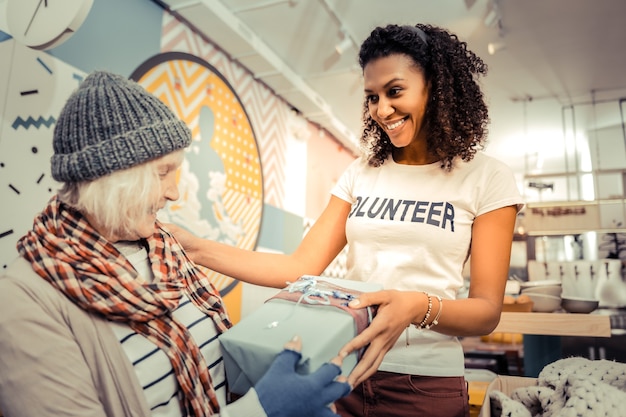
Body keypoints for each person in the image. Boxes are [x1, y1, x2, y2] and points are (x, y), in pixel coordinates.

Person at [167, 22, 525, 417]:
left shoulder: (486, 177)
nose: (382, 110)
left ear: (435, 87)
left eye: (395, 91)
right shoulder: (361, 173)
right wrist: (192, 246)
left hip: (423, 384)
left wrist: (414, 306)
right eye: (372, 97)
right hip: (345, 372)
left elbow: (486, 311)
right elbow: (298, 267)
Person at [0, 71, 351, 417]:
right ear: (110, 177)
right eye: (162, 173)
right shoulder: (22, 303)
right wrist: (260, 409)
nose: (174, 192)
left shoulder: (163, 247)